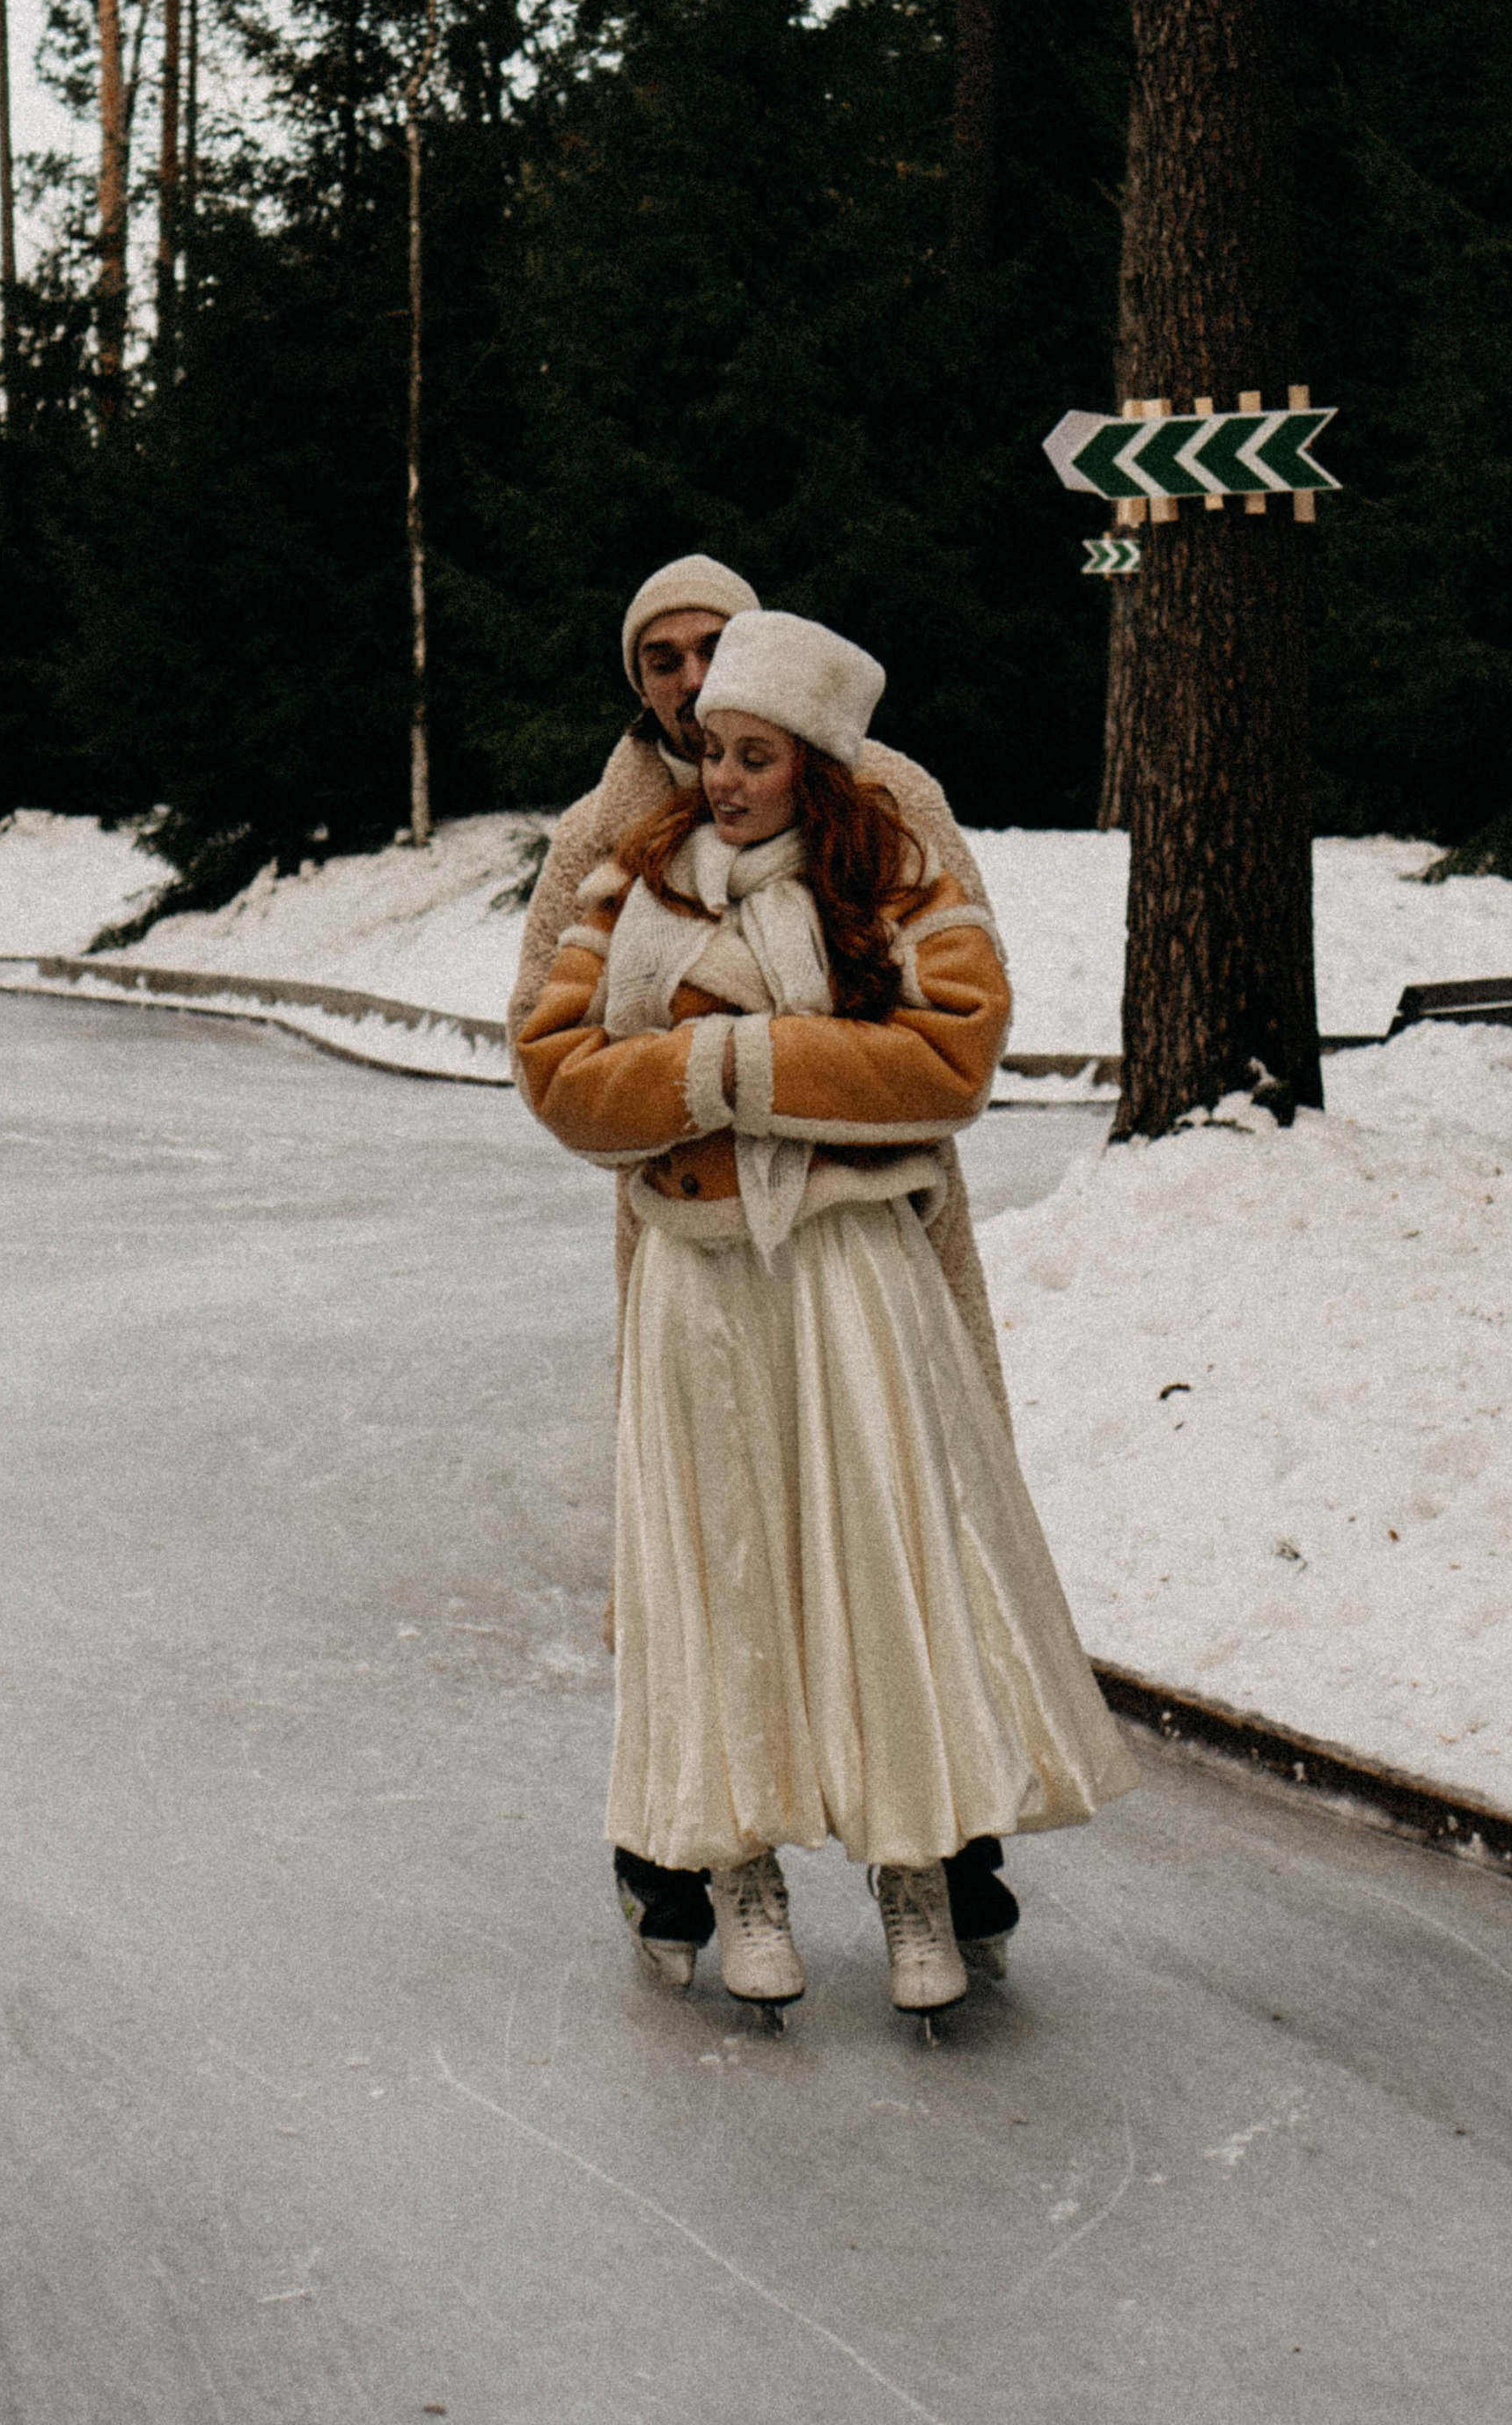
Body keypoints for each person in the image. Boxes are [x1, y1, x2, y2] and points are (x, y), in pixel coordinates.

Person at [515, 609, 1136, 2017]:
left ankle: (920, 1870)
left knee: (880, 1557)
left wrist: (724, 1058)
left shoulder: (889, 856)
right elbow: (556, 1067)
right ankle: (732, 1874)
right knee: (721, 1565)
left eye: (748, 749)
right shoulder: (625, 867)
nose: (716, 768)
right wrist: (732, 1086)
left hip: (853, 1270)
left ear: (809, 755)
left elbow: (951, 1054)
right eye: (702, 741)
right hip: (694, 1268)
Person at [509, 554, 1013, 1422]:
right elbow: (540, 1039)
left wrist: (764, 1062)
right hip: (692, 1227)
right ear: (638, 681)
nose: (692, 676)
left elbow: (963, 1001)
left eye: (712, 647)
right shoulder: (603, 838)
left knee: (890, 1490)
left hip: (871, 1222)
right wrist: (692, 1083)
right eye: (662, 660)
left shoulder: (883, 797)